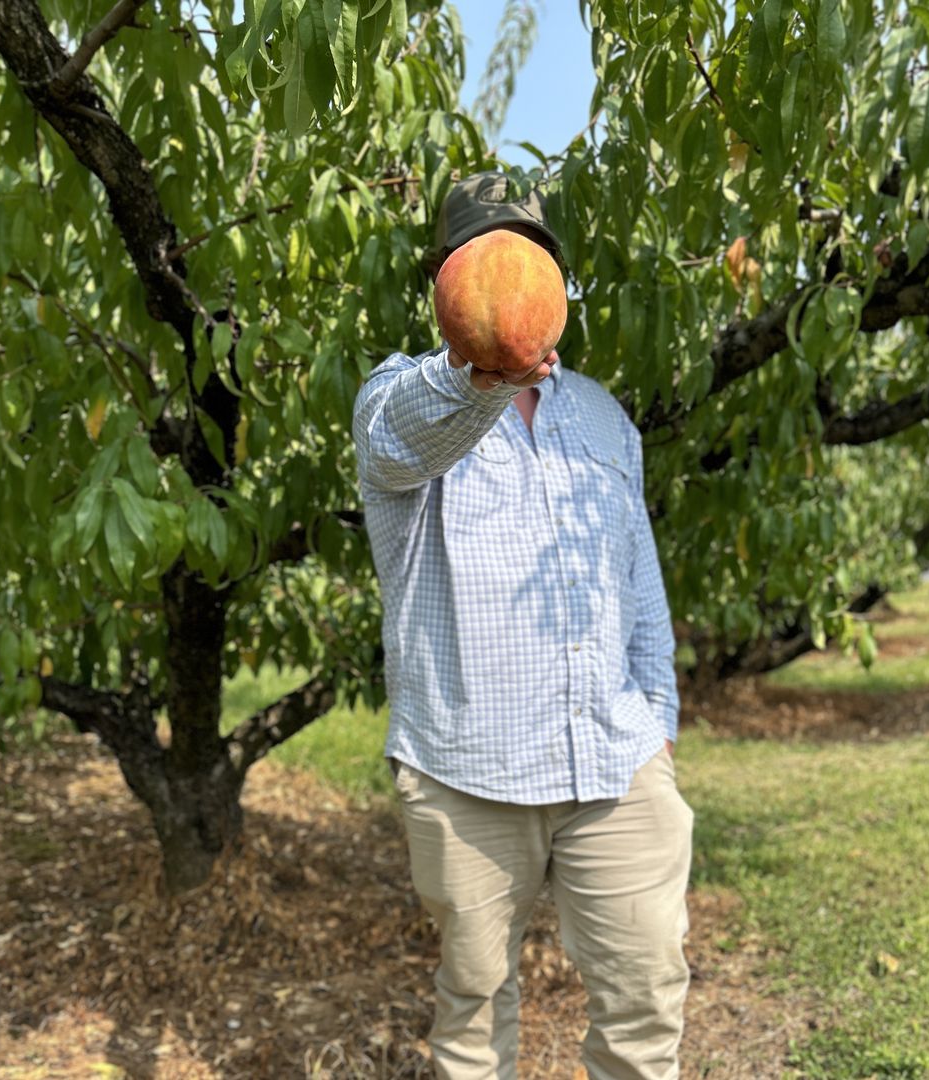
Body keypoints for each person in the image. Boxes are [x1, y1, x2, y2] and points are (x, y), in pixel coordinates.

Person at [352, 171, 694, 1079]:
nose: (511, 273)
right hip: (468, 771)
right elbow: (402, 443)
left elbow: (640, 580)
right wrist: (482, 372)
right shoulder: (401, 398)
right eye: (484, 257)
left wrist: (657, 721)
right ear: (442, 285)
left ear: (559, 281)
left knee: (647, 997)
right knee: (473, 1013)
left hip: (614, 762)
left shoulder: (601, 415)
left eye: (531, 255)